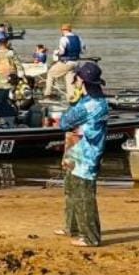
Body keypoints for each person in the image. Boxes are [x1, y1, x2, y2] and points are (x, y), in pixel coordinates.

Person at [56, 63, 109, 248]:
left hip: (86, 156)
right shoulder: (95, 100)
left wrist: (72, 107)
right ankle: (73, 227)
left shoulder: (89, 105)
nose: (75, 80)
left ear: (83, 81)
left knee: (84, 196)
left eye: (77, 78)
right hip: (76, 152)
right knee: (71, 190)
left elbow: (64, 122)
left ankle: (91, 237)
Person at [44, 24, 85, 99]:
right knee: (69, 81)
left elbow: (62, 52)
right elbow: (83, 50)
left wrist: (57, 52)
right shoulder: (78, 38)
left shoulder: (63, 38)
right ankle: (72, 97)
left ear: (63, 30)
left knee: (50, 73)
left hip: (66, 62)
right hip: (76, 62)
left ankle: (47, 94)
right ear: (70, 30)